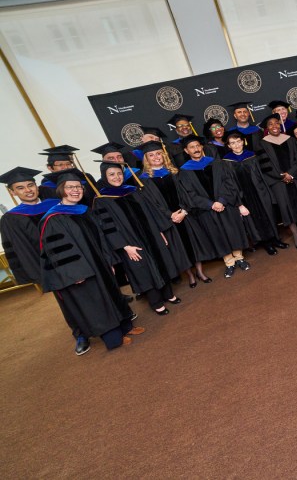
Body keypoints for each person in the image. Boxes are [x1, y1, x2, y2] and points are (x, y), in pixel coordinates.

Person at [39, 168, 145, 352]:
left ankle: (126, 327)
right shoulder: (53, 218)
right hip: (82, 271)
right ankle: (113, 338)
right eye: (70, 187)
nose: (76, 190)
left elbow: (102, 237)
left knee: (112, 293)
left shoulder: (84, 210)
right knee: (96, 301)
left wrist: (110, 261)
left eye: (79, 187)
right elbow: (57, 251)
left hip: (100, 263)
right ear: (61, 190)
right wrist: (75, 274)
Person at [0, 167, 87, 354]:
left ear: (37, 187)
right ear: (13, 192)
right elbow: (18, 251)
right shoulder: (11, 219)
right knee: (69, 301)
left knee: (90, 290)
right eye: (21, 188)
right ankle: (81, 334)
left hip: (76, 259)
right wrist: (39, 274)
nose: (28, 190)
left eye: (30, 185)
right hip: (50, 267)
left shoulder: (57, 204)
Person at [93, 162, 181, 316]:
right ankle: (156, 302)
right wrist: (124, 246)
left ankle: (168, 294)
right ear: (104, 177)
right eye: (111, 174)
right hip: (130, 242)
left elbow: (150, 213)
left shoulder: (133, 191)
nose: (117, 177)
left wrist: (159, 231)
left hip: (151, 234)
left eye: (119, 173)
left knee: (161, 261)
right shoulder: (101, 200)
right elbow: (107, 228)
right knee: (143, 270)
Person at [176, 135, 251, 279]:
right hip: (207, 210)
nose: (196, 149)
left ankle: (239, 258)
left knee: (232, 230)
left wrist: (221, 201)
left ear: (202, 147)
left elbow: (229, 183)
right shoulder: (184, 172)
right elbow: (189, 195)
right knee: (218, 235)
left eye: (198, 146)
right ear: (186, 151)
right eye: (192, 147)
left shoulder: (217, 163)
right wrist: (211, 204)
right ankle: (229, 263)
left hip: (225, 204)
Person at [138, 140, 210, 287]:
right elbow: (152, 204)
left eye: (159, 153)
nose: (156, 157)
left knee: (193, 244)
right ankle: (190, 275)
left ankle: (200, 271)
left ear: (164, 155)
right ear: (147, 159)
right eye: (151, 155)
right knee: (180, 249)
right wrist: (170, 215)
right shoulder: (144, 180)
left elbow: (186, 194)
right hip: (169, 220)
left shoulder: (174, 172)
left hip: (185, 215)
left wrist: (183, 211)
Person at [221, 130, 284, 255]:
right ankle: (266, 243)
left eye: (238, 141)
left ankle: (275, 239)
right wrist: (239, 203)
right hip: (245, 196)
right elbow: (229, 183)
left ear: (243, 142)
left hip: (260, 191)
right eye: (232, 143)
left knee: (269, 215)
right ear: (228, 146)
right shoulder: (226, 162)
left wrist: (268, 192)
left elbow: (262, 175)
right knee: (255, 219)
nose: (236, 145)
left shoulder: (252, 155)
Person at [258, 114, 297, 250]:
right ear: (267, 128)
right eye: (270, 124)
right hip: (278, 182)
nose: (274, 126)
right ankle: (295, 233)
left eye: (276, 123)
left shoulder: (290, 139)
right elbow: (264, 167)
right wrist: (281, 176)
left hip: (295, 177)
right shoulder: (262, 144)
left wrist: (291, 174)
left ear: (280, 124)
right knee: (286, 208)